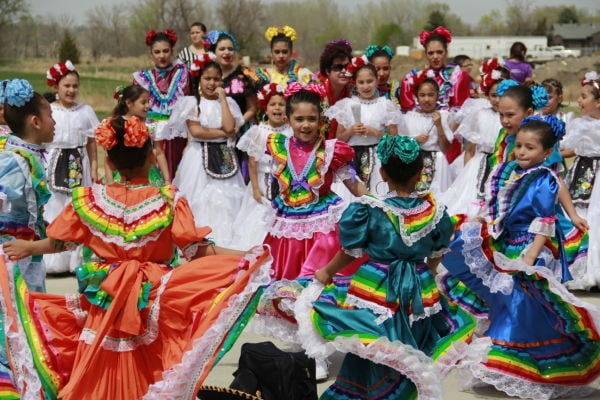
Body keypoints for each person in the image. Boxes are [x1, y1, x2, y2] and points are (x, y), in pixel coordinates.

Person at [1, 113, 271, 400]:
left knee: (101, 363)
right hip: (151, 298)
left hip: (104, 299)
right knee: (155, 364)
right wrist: (247, 256)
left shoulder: (89, 200)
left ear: (109, 163)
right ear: (152, 158)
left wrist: (30, 248)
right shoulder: (168, 200)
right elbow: (197, 251)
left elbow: (62, 243)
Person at [290, 135, 482, 400]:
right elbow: (436, 254)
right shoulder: (434, 211)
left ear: (382, 172)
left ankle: (365, 393)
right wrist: (430, 272)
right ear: (419, 173)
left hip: (376, 287)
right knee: (412, 345)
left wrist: (326, 272)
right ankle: (402, 392)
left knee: (373, 344)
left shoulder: (369, 210)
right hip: (419, 288)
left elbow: (350, 251)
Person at [441, 118, 599, 399]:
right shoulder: (511, 171)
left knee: (524, 305)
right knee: (507, 303)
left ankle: (529, 363)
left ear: (547, 151)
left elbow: (545, 220)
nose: (522, 152)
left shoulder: (543, 179)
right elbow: (499, 206)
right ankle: (505, 363)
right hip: (510, 243)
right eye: (519, 146)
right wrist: (483, 221)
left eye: (530, 147)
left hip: (531, 248)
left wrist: (532, 257)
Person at [262, 84, 366, 280]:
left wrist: (376, 203)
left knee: (322, 275)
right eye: (299, 119)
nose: (306, 125)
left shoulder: (330, 151)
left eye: (311, 119)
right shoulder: (279, 146)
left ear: (321, 120)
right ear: (288, 120)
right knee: (284, 274)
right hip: (288, 224)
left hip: (323, 225)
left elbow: (354, 183)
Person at [171, 55, 245, 249]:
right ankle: (197, 243)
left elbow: (231, 127)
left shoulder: (229, 103)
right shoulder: (191, 103)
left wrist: (223, 100)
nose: (212, 83)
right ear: (199, 79)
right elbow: (196, 131)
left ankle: (224, 243)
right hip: (198, 157)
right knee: (200, 198)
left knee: (226, 201)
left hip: (224, 156)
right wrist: (222, 133)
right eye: (208, 79)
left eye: (216, 79)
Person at [44, 60, 99, 274]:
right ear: (56, 87)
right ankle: (52, 261)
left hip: (78, 164)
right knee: (54, 207)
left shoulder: (85, 111)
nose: (71, 90)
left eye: (75, 86)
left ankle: (74, 261)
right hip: (53, 162)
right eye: (66, 86)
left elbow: (92, 141)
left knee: (75, 209)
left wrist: (94, 167)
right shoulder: (49, 110)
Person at [0, 79, 54, 292]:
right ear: (36, 122)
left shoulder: (28, 155)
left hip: (27, 249)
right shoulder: (15, 161)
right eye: (50, 115)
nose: (54, 122)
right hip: (12, 254)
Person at [325, 57, 401, 199]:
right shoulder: (346, 105)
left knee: (377, 198)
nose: (366, 86)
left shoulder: (385, 105)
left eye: (369, 81)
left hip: (377, 159)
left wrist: (375, 132)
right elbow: (338, 139)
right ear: (355, 83)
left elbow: (395, 139)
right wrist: (351, 130)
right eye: (361, 82)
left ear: (377, 81)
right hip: (351, 159)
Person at [440, 58, 507, 215]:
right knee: (468, 203)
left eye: (502, 95)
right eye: (493, 95)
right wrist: (466, 173)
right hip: (478, 166)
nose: (497, 100)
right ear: (487, 95)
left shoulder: (510, 118)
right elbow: (470, 150)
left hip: (500, 165)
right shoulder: (479, 114)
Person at [232, 83, 292, 249]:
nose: (277, 108)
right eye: (273, 104)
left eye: (281, 104)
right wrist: (255, 189)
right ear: (265, 108)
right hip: (262, 182)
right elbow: (252, 162)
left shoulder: (292, 131)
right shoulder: (258, 131)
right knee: (258, 218)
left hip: (285, 184)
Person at [133, 29, 190, 180]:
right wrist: (159, 117)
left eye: (166, 51)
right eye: (157, 52)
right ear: (150, 54)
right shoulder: (142, 79)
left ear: (172, 51)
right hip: (153, 133)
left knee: (180, 171)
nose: (162, 56)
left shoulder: (182, 74)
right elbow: (138, 109)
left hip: (177, 133)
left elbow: (188, 104)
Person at [205, 30, 260, 182]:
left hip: (241, 130)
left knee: (243, 173)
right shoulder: (208, 76)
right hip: (216, 132)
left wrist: (238, 125)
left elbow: (252, 107)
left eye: (230, 48)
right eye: (222, 49)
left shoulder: (245, 74)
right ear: (213, 51)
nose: (227, 52)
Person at [562, 72, 600, 291]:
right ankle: (579, 268)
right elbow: (570, 148)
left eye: (584, 96)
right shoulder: (579, 123)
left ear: (598, 101)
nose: (579, 100)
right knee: (580, 216)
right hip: (582, 174)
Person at [104, 85, 171, 185]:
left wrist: (167, 179)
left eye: (148, 102)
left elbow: (159, 152)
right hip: (121, 174)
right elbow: (108, 155)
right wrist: (110, 180)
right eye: (143, 102)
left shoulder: (151, 125)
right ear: (129, 103)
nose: (148, 106)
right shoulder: (116, 124)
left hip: (148, 174)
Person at [398, 76, 453, 197]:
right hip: (414, 163)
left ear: (437, 96)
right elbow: (400, 146)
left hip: (437, 163)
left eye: (431, 95)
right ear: (417, 96)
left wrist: (439, 126)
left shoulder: (444, 116)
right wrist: (414, 140)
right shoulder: (408, 118)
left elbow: (445, 148)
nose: (426, 99)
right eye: (422, 95)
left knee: (437, 197)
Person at [400, 26, 471, 112]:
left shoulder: (457, 76)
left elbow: (459, 113)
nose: (435, 57)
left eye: (439, 52)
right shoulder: (413, 78)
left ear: (446, 53)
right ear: (425, 55)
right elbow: (408, 112)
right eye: (431, 53)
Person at [315, 39, 353, 139]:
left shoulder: (354, 92)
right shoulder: (316, 92)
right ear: (327, 71)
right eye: (338, 67)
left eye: (347, 66)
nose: (344, 71)